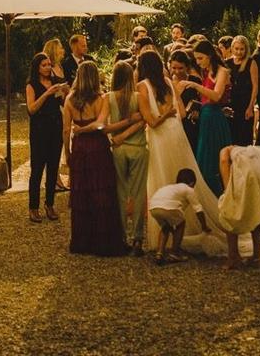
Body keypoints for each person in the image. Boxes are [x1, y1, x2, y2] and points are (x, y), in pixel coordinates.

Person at [138, 50, 223, 251]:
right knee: (183, 172)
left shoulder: (142, 86)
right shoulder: (168, 82)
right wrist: (170, 114)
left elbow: (150, 121)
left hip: (159, 136)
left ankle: (164, 233)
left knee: (162, 176)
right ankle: (189, 221)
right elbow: (183, 113)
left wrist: (163, 114)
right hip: (176, 133)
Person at [63, 61, 126, 256]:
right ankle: (104, 240)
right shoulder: (102, 98)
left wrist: (68, 154)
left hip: (80, 148)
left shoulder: (69, 100)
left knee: (82, 193)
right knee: (102, 192)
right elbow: (101, 125)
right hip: (98, 147)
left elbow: (66, 130)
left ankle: (84, 240)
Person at [105, 60, 147, 254]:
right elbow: (145, 121)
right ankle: (138, 238)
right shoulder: (138, 97)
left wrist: (119, 136)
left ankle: (122, 236)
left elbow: (104, 126)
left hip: (119, 149)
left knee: (121, 192)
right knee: (138, 193)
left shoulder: (108, 97)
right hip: (138, 147)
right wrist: (130, 123)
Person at [218, 145, 260, 269]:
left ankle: (233, 257)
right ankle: (257, 256)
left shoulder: (224, 150)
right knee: (258, 209)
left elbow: (224, 161)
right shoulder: (249, 150)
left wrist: (227, 191)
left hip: (246, 172)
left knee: (228, 213)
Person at [25, 52, 66, 223]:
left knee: (53, 167)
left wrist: (65, 93)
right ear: (37, 67)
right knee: (37, 169)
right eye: (44, 65)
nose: (48, 67)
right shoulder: (31, 85)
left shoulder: (55, 82)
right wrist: (46, 93)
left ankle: (50, 204)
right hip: (39, 130)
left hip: (55, 127)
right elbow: (31, 109)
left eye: (49, 64)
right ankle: (33, 207)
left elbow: (63, 103)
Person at [188, 40, 233, 194]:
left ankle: (221, 197)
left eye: (200, 58)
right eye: (196, 59)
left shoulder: (222, 71)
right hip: (206, 117)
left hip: (214, 118)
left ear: (209, 56)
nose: (198, 62)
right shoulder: (208, 72)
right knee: (204, 161)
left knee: (214, 161)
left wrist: (195, 86)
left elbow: (216, 95)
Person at [148, 168, 209, 265]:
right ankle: (174, 253)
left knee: (165, 227)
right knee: (181, 223)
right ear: (192, 183)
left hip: (153, 207)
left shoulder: (169, 187)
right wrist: (204, 226)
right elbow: (198, 209)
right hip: (168, 207)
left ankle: (159, 253)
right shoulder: (188, 189)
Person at [167, 50, 201, 150]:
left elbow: (201, 100)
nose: (177, 71)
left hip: (190, 125)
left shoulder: (194, 81)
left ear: (187, 67)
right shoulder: (167, 81)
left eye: (181, 68)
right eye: (174, 68)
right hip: (172, 124)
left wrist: (197, 110)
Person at [227, 35, 255, 146]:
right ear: (232, 48)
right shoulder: (227, 63)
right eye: (236, 49)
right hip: (231, 104)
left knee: (244, 137)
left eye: (241, 49)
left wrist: (250, 107)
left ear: (246, 49)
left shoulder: (251, 63)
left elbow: (255, 86)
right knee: (232, 137)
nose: (239, 52)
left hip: (245, 104)